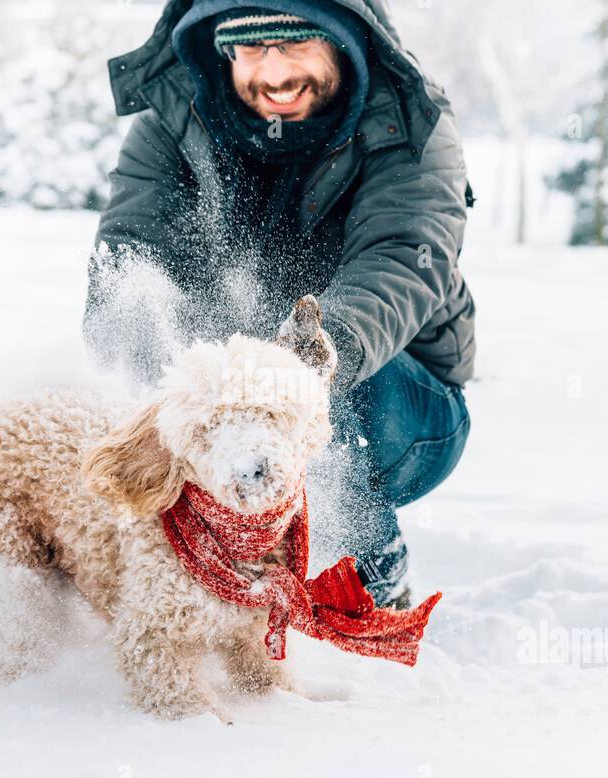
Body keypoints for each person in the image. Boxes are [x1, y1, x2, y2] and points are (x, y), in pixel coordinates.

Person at [84, 0, 475, 609]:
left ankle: (364, 571)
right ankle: (201, 574)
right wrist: (131, 358)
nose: (273, 74)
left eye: (294, 45)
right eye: (251, 50)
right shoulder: (173, 116)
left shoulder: (407, 121)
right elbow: (131, 250)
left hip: (402, 403)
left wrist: (311, 357)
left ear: (345, 42)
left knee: (313, 385)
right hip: (231, 375)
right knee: (181, 402)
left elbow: (400, 258)